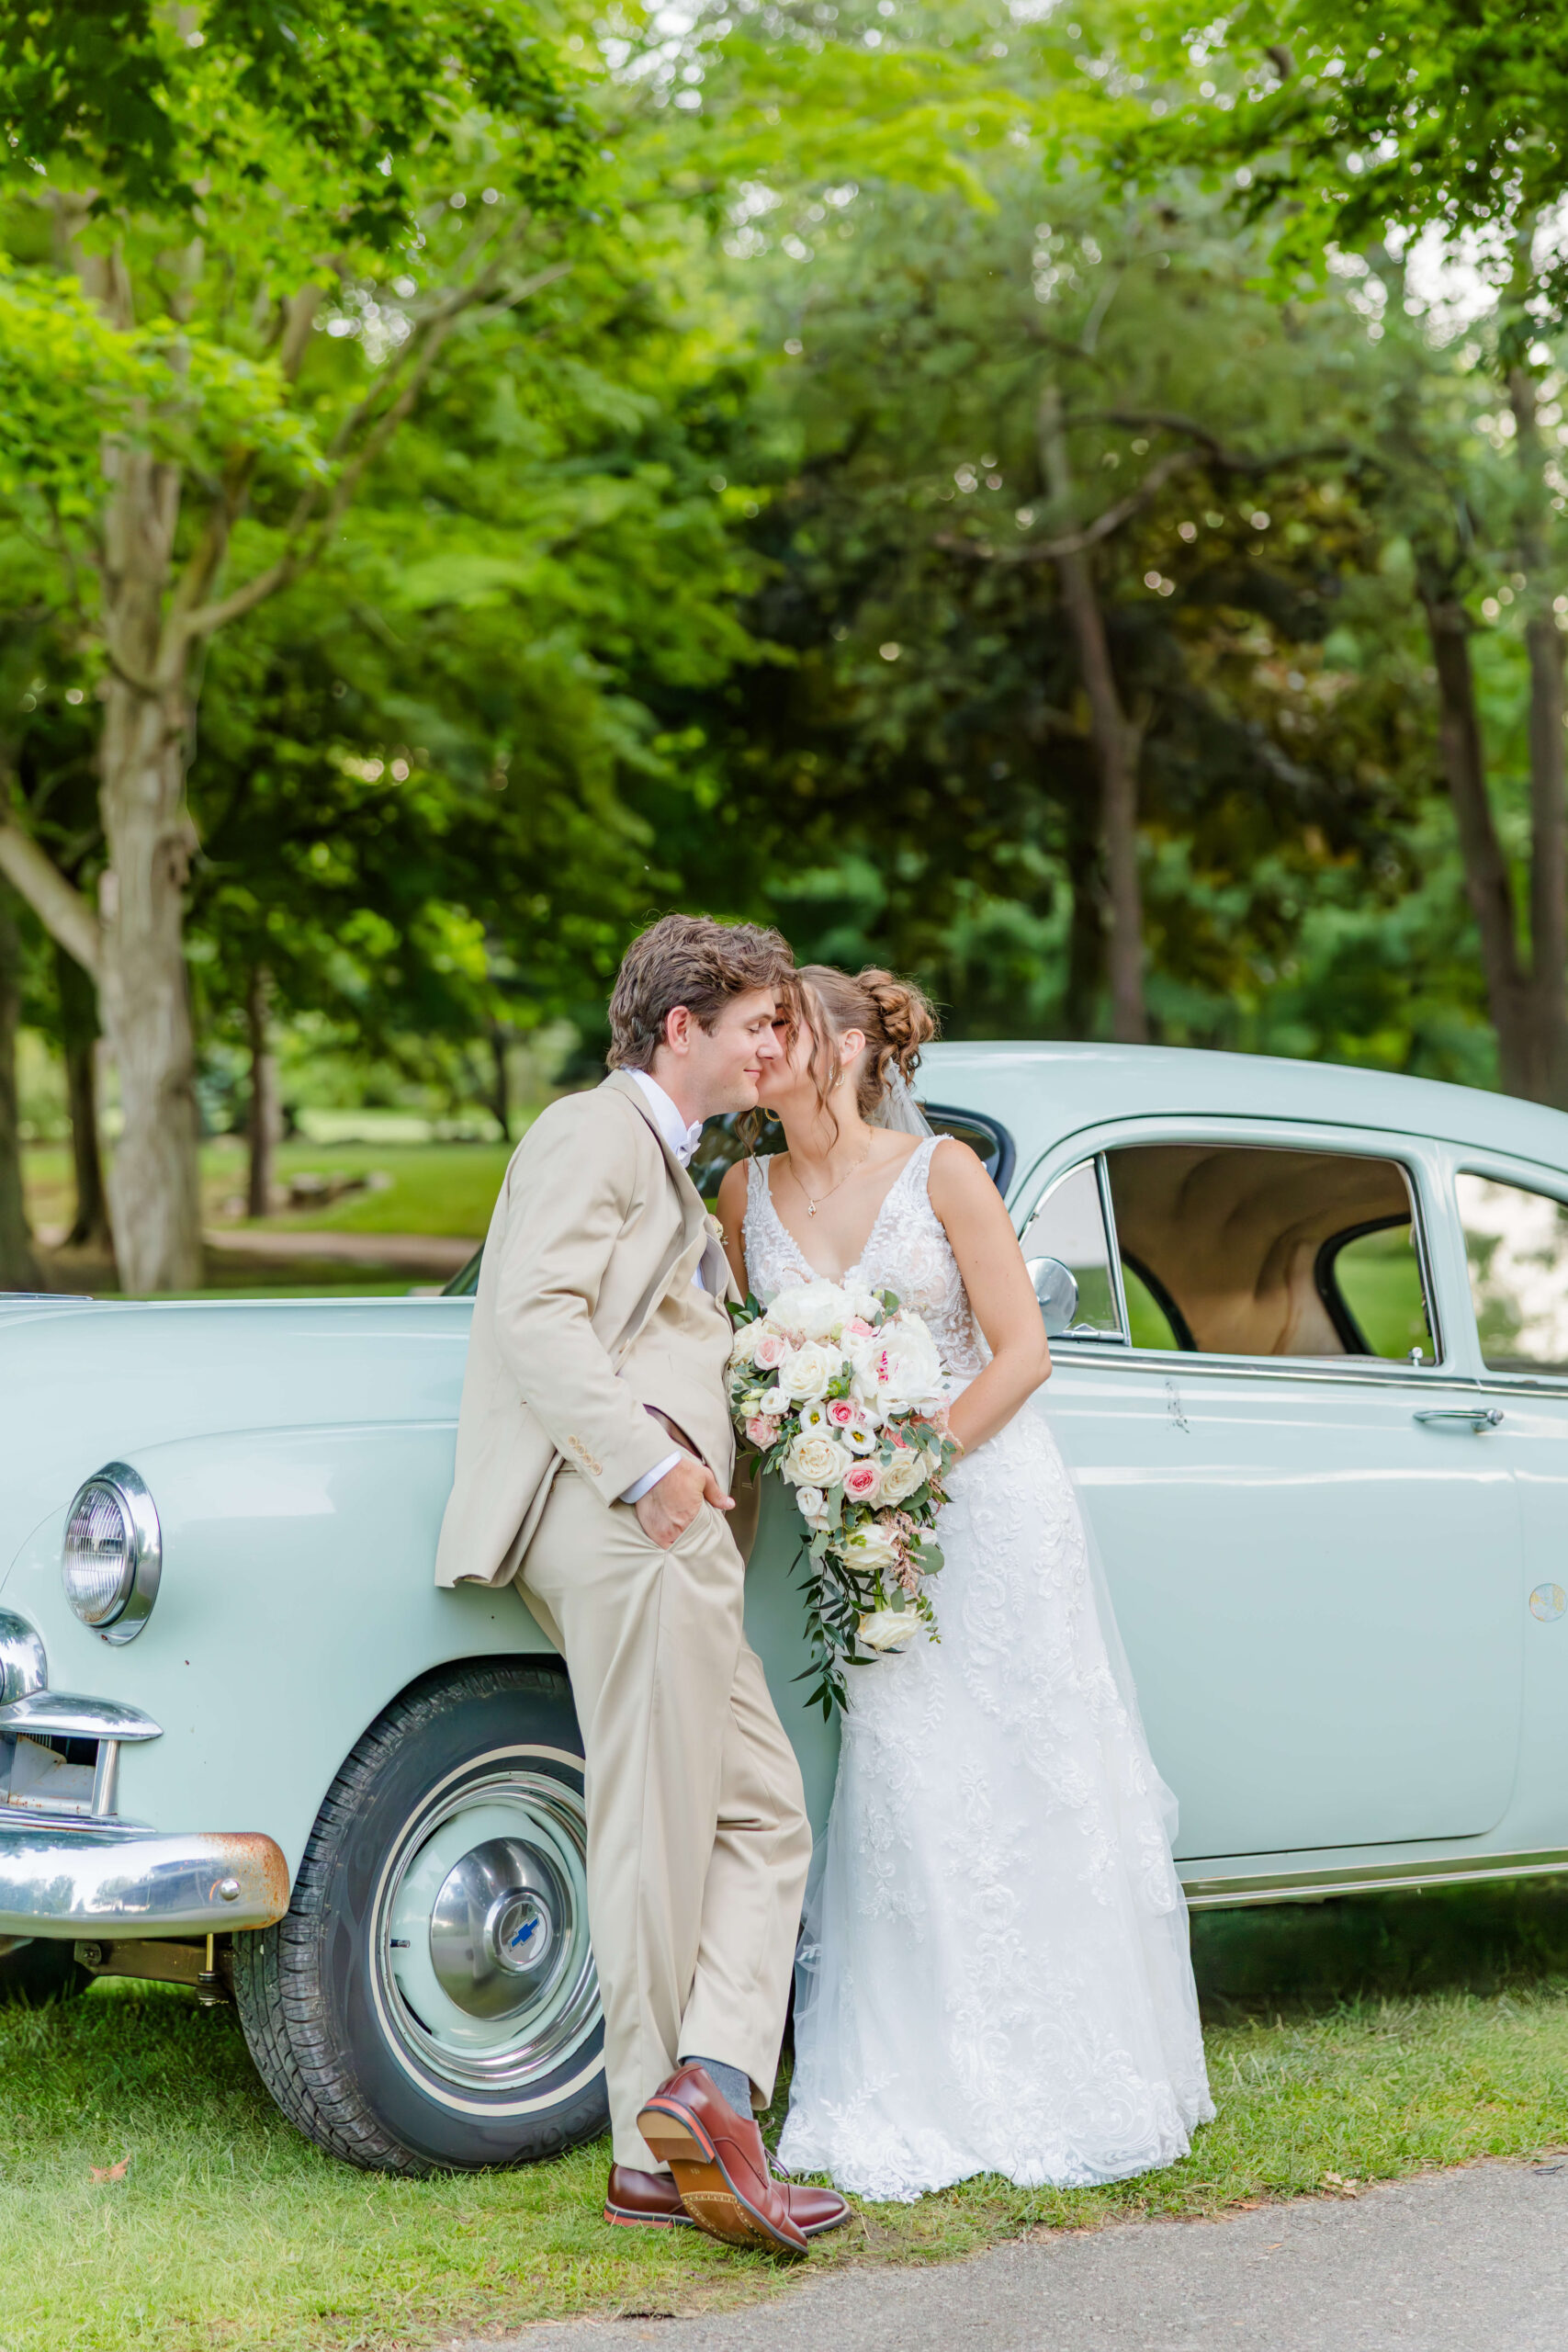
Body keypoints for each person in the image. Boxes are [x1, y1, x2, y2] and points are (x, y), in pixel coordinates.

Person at [716, 965, 1213, 2200]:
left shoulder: (944, 1175)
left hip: (986, 1507)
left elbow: (1022, 1350)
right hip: (857, 1523)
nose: (758, 1048)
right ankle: (920, 2076)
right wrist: (800, 1447)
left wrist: (912, 1452)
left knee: (1029, 1767)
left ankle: (1072, 2072)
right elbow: (746, 1362)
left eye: (781, 1027)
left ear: (843, 1047)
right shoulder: (742, 1192)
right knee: (907, 1776)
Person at [435, 913, 847, 2255]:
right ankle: (645, 2153)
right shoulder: (593, 1132)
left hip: (665, 1530)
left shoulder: (670, 1166)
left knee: (763, 1813)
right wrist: (645, 1470)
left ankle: (709, 2088)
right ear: (681, 1029)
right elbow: (534, 1312)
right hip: (625, 1521)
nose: (774, 1046)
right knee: (656, 1824)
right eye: (754, 1028)